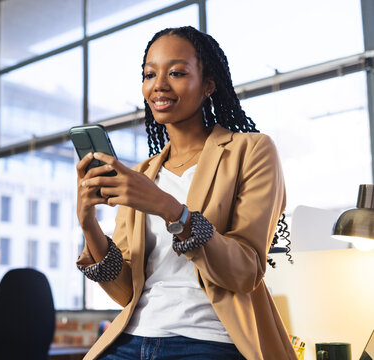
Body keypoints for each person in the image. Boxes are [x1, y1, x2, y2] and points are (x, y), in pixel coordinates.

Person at [75, 26, 296, 360]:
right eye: (150, 74)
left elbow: (245, 271)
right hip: (132, 338)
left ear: (208, 85)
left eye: (176, 72)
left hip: (209, 338)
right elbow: (124, 293)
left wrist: (169, 208)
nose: (159, 84)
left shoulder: (251, 151)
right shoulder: (141, 174)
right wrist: (88, 223)